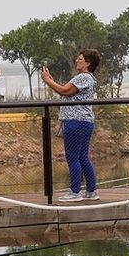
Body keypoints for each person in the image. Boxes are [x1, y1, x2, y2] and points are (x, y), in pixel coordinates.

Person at [41, 49, 101, 202]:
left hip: (76, 121)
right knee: (82, 157)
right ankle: (91, 190)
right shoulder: (89, 78)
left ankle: (75, 192)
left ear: (88, 63)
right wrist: (52, 81)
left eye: (80, 59)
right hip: (85, 121)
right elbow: (65, 90)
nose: (77, 61)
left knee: (73, 157)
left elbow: (64, 90)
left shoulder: (83, 77)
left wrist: (48, 81)